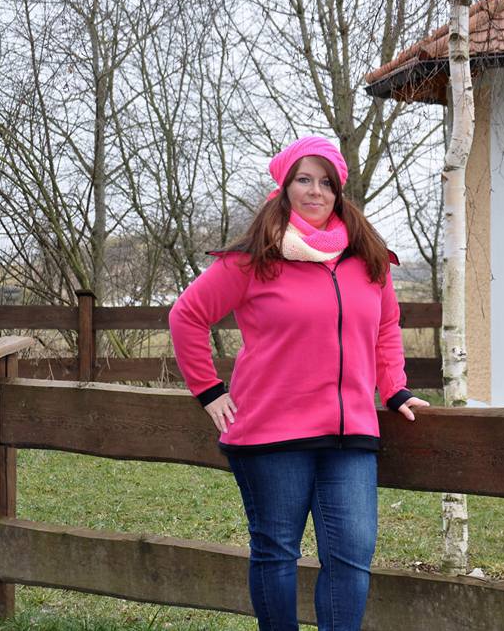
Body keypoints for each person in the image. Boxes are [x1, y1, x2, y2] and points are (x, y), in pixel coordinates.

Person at [168, 135, 428, 631]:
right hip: (271, 433)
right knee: (276, 552)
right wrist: (209, 390)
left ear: (338, 191)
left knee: (352, 554)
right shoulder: (253, 258)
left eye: (326, 182)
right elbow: (187, 315)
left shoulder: (369, 258)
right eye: (304, 180)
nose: (315, 191)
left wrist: (394, 388)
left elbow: (386, 327)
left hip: (349, 434)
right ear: (285, 186)